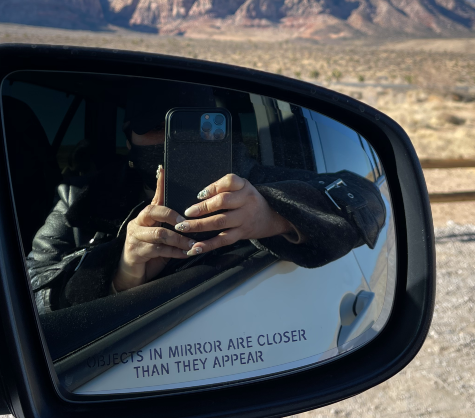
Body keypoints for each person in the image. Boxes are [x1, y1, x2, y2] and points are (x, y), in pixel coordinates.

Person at [26, 93, 386, 313]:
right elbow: (31, 292)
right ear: (128, 136)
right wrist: (122, 272)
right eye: (155, 126)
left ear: (222, 133)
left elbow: (365, 201)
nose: (170, 140)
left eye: (191, 127)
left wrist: (270, 214)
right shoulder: (81, 197)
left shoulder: (251, 185)